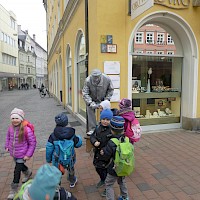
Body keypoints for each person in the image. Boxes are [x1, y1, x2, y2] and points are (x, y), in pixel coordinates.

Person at [5, 108, 37, 200]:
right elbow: (8, 137)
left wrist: (28, 154)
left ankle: (13, 189)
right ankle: (28, 172)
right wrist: (7, 146)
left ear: (21, 119)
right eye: (13, 118)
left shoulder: (26, 129)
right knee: (20, 165)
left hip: (23, 154)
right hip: (14, 153)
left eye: (17, 118)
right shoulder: (10, 128)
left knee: (17, 170)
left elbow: (32, 142)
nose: (15, 120)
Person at [46, 113, 82, 188]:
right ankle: (72, 181)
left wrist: (48, 159)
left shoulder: (53, 135)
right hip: (70, 158)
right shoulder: (71, 134)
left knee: (57, 172)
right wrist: (79, 138)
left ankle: (57, 186)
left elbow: (49, 148)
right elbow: (78, 144)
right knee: (71, 169)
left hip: (57, 159)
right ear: (66, 122)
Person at [100, 116, 130, 200]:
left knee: (108, 184)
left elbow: (106, 156)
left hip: (113, 168)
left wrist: (103, 152)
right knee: (122, 181)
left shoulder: (112, 142)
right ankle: (125, 197)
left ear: (112, 130)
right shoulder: (126, 139)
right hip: (123, 166)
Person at [82, 69, 114, 136]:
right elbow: (85, 93)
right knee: (89, 109)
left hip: (103, 99)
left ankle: (105, 127)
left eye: (97, 77)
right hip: (92, 99)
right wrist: (90, 102)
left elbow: (110, 90)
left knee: (105, 112)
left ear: (100, 76)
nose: (96, 79)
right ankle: (92, 129)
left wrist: (106, 100)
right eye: (94, 77)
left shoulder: (107, 79)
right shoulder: (88, 80)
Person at [90, 109, 113, 197]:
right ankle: (102, 179)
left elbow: (112, 143)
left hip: (106, 155)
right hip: (97, 153)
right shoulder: (98, 127)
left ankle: (107, 188)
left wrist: (106, 149)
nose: (105, 121)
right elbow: (92, 136)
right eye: (103, 119)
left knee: (106, 171)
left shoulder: (111, 131)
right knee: (97, 167)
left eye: (107, 120)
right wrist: (94, 141)